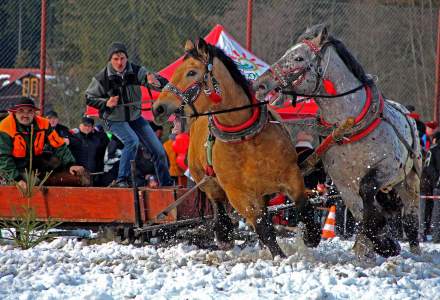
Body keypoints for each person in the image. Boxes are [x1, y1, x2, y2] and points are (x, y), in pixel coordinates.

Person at [85, 42, 172, 188]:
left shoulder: (136, 71)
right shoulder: (102, 78)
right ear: (110, 60)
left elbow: (156, 82)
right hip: (114, 119)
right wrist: (106, 103)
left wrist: (155, 81)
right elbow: (89, 98)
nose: (119, 62)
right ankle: (122, 180)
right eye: (115, 59)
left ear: (127, 58)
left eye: (122, 58)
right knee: (132, 141)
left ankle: (166, 184)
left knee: (159, 150)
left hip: (135, 117)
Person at [0, 97, 84, 190]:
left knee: (57, 163)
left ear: (34, 113)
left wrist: (71, 164)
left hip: (34, 162)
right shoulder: (5, 127)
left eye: (29, 111)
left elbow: (58, 145)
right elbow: (3, 157)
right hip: (12, 166)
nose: (25, 115)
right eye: (21, 111)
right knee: (35, 183)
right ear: (15, 112)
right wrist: (17, 179)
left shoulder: (43, 124)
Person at [69, 117, 108, 186]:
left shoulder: (98, 138)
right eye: (85, 125)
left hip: (95, 175)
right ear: (80, 125)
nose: (87, 128)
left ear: (92, 127)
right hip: (78, 175)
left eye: (89, 126)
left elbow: (106, 146)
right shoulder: (73, 138)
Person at [421, 131, 440, 242]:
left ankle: (436, 235)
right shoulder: (433, 150)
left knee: (436, 212)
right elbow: (429, 167)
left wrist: (436, 179)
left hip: (437, 185)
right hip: (437, 185)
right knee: (436, 211)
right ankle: (436, 235)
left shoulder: (432, 150)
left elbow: (428, 166)